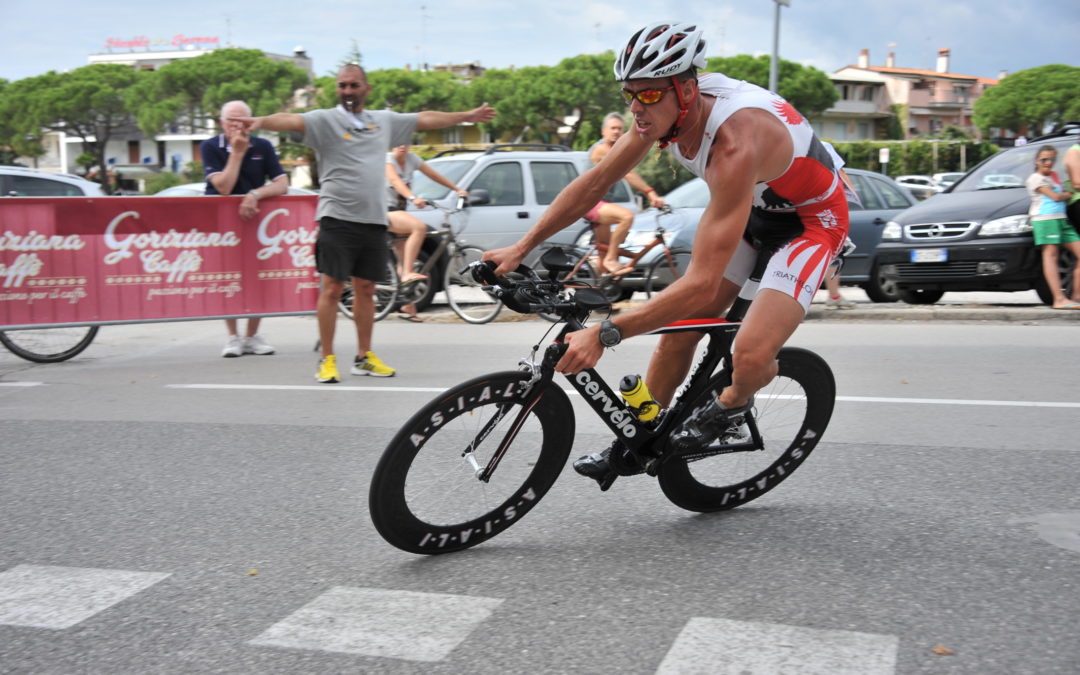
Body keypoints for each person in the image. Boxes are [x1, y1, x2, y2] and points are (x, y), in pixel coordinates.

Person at [484, 22, 850, 485]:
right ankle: (637, 437)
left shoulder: (735, 143)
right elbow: (593, 185)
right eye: (629, 94)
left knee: (750, 356)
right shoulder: (662, 114)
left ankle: (734, 404)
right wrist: (521, 248)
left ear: (688, 89)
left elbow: (699, 282)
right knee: (679, 333)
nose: (637, 107)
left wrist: (605, 334)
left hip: (811, 222)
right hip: (752, 209)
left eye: (651, 95)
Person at [231, 64, 495, 382]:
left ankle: (363, 357)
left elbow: (424, 118)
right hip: (336, 217)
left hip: (372, 219)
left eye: (354, 85)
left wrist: (465, 115)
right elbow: (290, 120)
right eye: (342, 85)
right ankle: (326, 359)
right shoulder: (324, 120)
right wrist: (259, 121)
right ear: (337, 90)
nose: (348, 91)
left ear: (366, 89)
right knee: (331, 290)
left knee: (366, 289)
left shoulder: (381, 122)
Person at [202, 100, 290, 358]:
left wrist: (255, 194)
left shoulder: (263, 146)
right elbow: (224, 186)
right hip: (223, 224)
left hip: (255, 220)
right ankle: (232, 336)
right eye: (231, 121)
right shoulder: (210, 146)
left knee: (257, 277)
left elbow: (282, 183)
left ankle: (252, 335)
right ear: (222, 123)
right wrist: (237, 153)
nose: (237, 126)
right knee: (228, 277)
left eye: (243, 122)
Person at [385, 144, 469, 322]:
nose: (402, 146)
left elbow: (433, 174)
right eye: (397, 143)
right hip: (381, 210)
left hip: (397, 210)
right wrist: (412, 197)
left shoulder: (412, 159)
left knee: (403, 257)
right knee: (419, 228)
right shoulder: (387, 160)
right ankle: (408, 274)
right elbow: (395, 181)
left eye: (405, 142)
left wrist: (456, 189)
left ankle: (408, 305)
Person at [586, 112, 666, 274]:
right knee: (626, 217)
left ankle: (598, 290)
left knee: (604, 252)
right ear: (603, 131)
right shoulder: (601, 149)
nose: (616, 131)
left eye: (620, 129)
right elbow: (627, 173)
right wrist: (650, 193)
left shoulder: (614, 149)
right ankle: (611, 258)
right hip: (590, 202)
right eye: (612, 128)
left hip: (599, 202)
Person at [1025, 146, 1080, 309]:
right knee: (1051, 256)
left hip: (1061, 220)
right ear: (1037, 161)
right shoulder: (1035, 178)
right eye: (1044, 159)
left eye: (1052, 160)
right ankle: (1059, 299)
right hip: (1045, 220)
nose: (1048, 163)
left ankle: (1076, 296)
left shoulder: (1054, 176)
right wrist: (1068, 194)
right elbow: (1055, 197)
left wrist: (1066, 193)